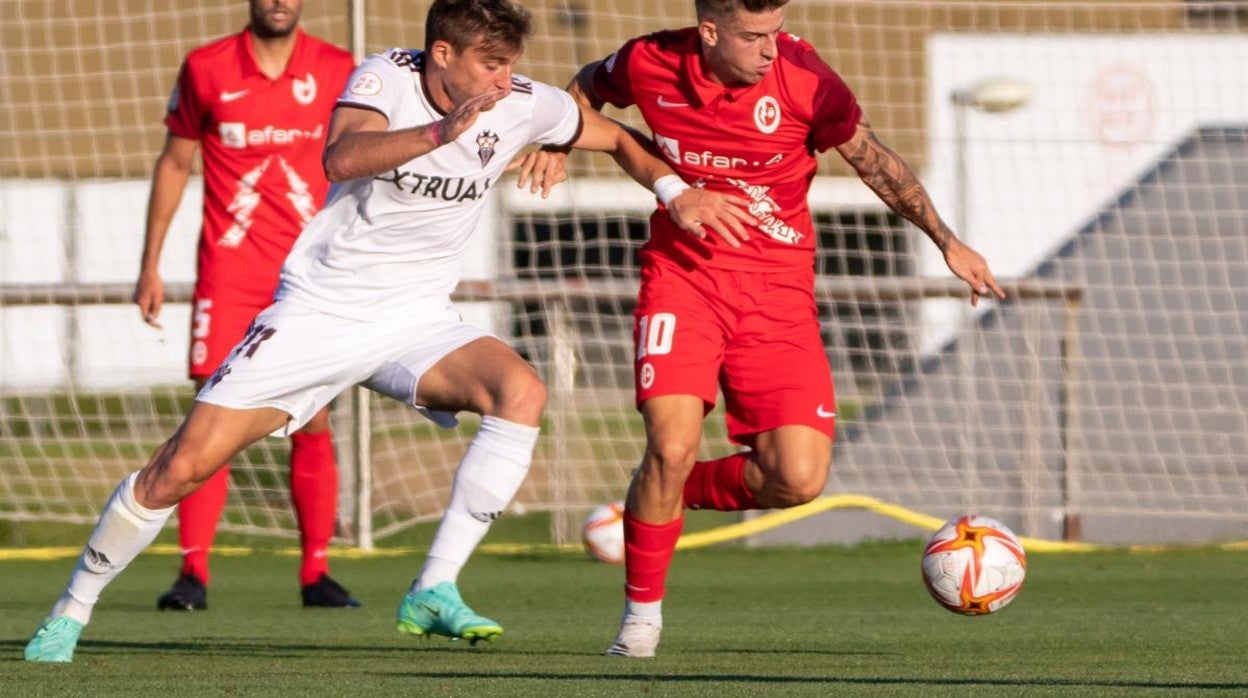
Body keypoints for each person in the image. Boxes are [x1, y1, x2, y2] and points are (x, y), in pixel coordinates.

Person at [24, 0, 752, 663]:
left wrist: (675, 191)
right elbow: (340, 155)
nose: (506, 80)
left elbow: (619, 139)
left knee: (520, 391)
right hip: (320, 312)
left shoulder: (522, 103)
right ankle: (72, 609)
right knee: (180, 468)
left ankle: (433, 588)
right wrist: (440, 133)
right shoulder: (385, 77)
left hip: (416, 318)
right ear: (441, 55)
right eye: (490, 64)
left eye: (512, 65)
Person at [559, 0, 1007, 657]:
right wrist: (554, 143)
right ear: (710, 31)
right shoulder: (649, 60)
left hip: (778, 296)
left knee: (798, 478)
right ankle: (641, 621)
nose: (772, 48)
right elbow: (583, 92)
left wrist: (947, 241)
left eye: (775, 32)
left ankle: (662, 489)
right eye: (754, 36)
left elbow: (874, 161)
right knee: (672, 440)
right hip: (683, 283)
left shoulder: (806, 79)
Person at [133, 0, 359, 611]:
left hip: (310, 279)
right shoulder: (206, 67)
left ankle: (316, 572)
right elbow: (177, 161)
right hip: (228, 276)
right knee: (211, 417)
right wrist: (150, 263)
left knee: (311, 417)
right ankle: (192, 573)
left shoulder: (339, 68)